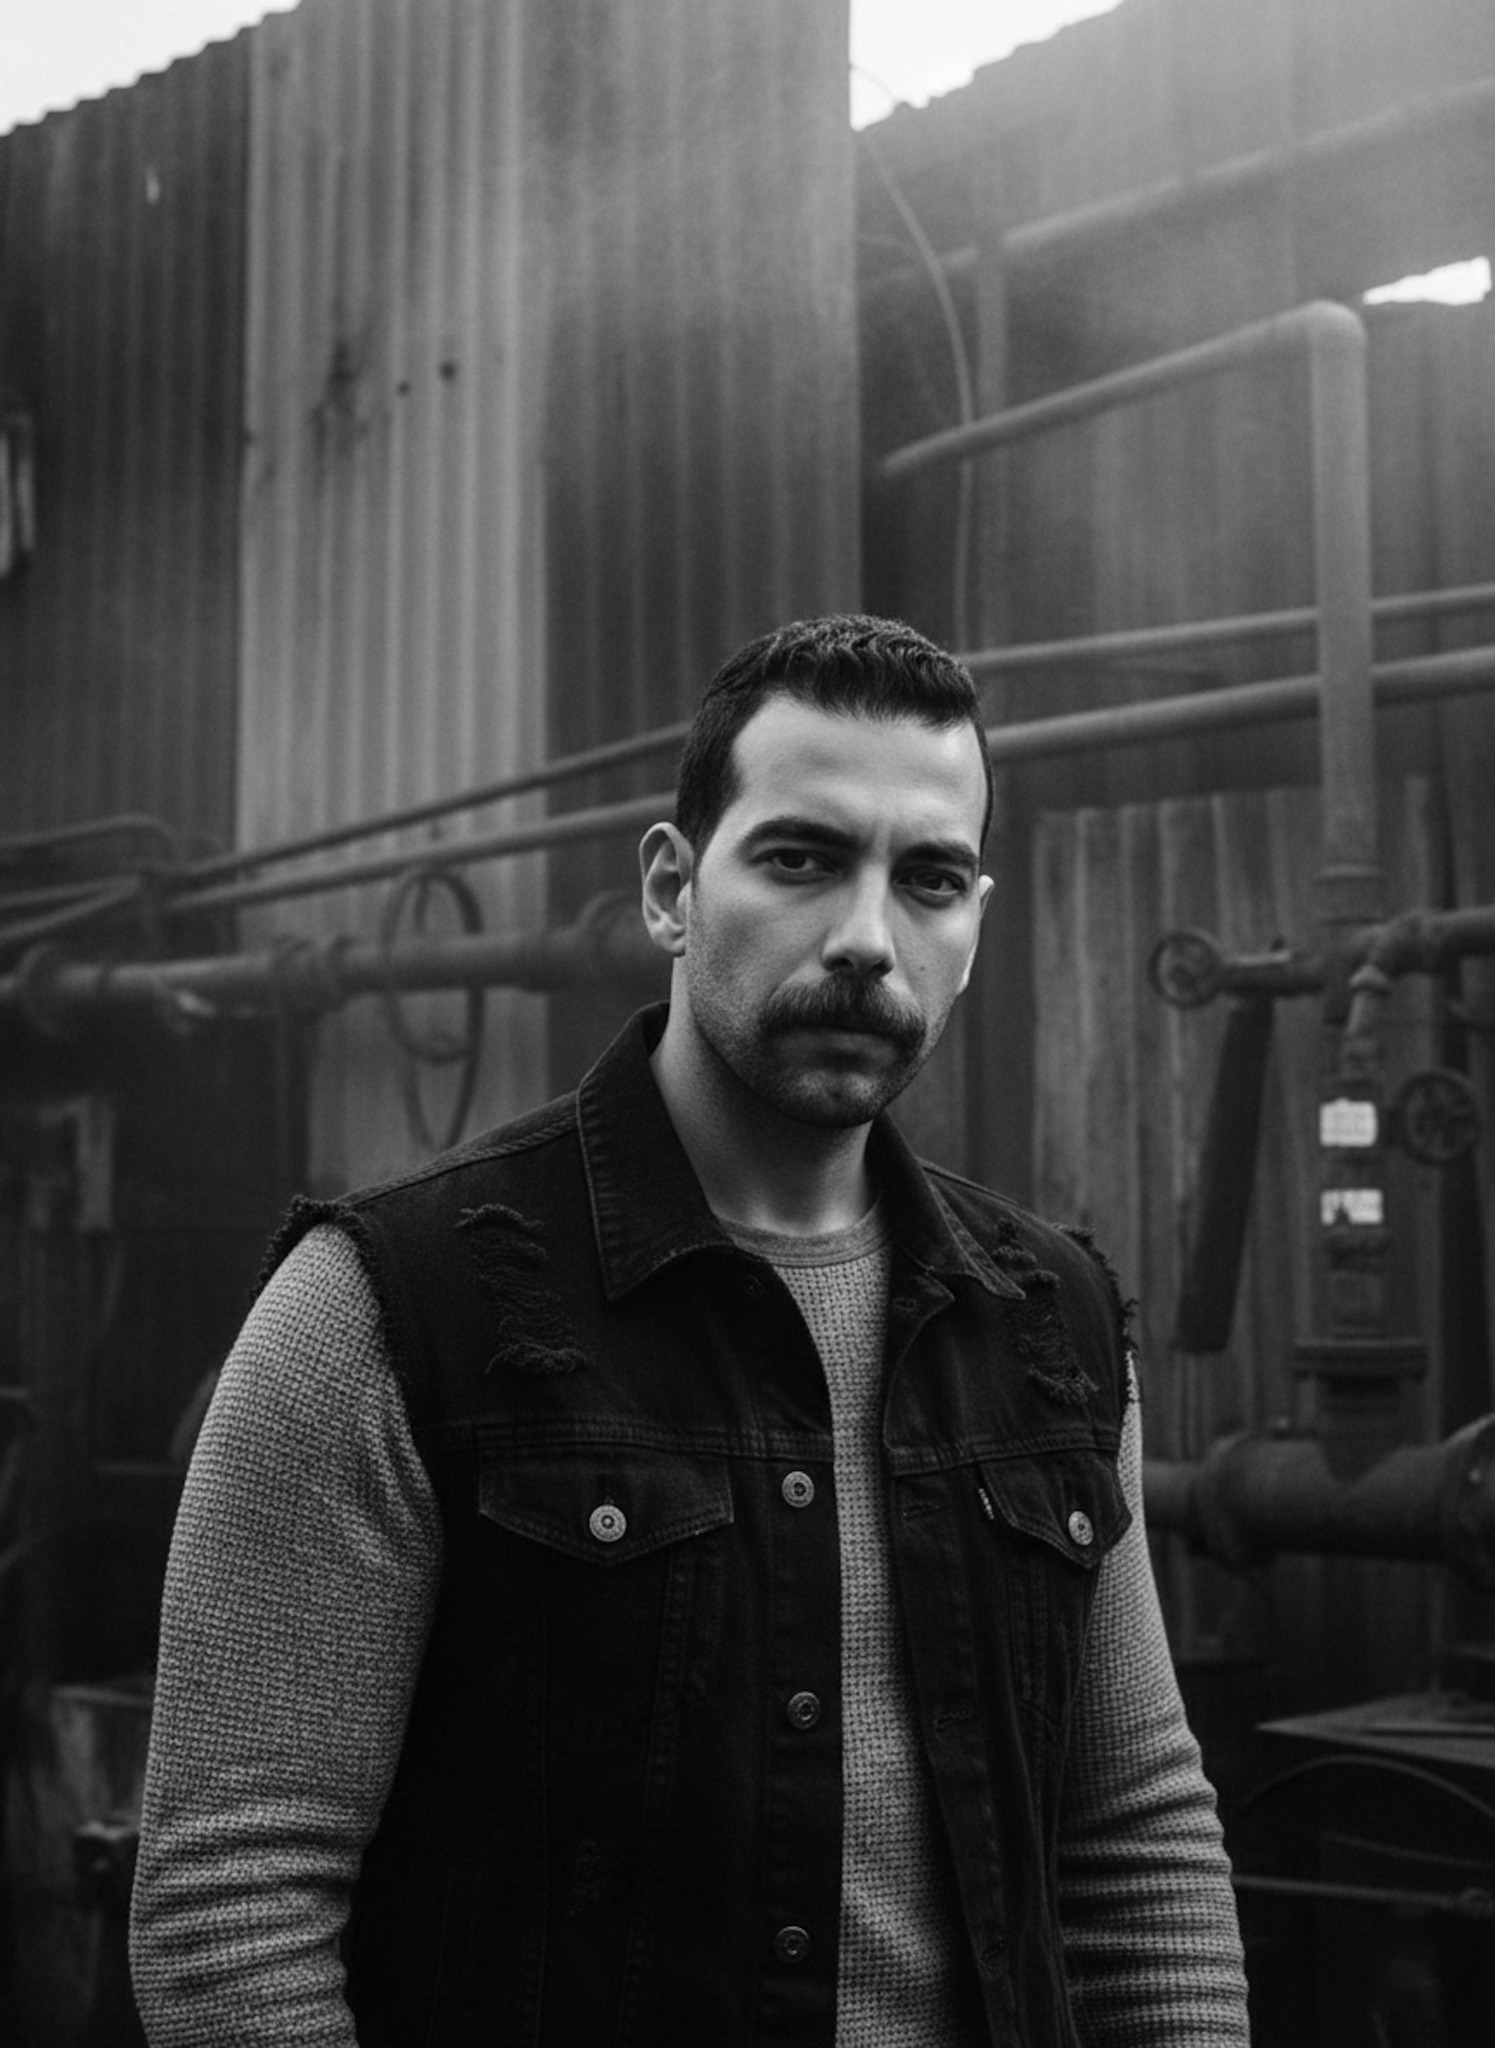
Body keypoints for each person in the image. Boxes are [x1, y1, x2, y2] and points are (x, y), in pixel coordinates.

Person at [130, 614, 1249, 2046]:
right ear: (672, 888)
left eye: (930, 880)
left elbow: (1137, 1841)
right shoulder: (391, 1307)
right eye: (799, 858)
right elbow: (234, 1910)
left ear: (975, 923)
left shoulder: (1053, 1323)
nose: (864, 937)